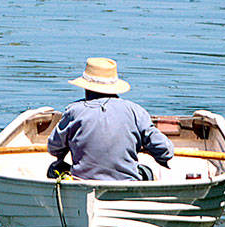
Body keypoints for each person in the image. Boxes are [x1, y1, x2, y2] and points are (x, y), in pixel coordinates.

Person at [46, 57, 174, 181]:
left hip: (82, 181)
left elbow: (54, 148)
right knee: (147, 171)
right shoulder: (136, 111)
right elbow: (165, 151)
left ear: (86, 86)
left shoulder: (73, 111)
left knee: (54, 168)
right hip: (127, 182)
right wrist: (145, 147)